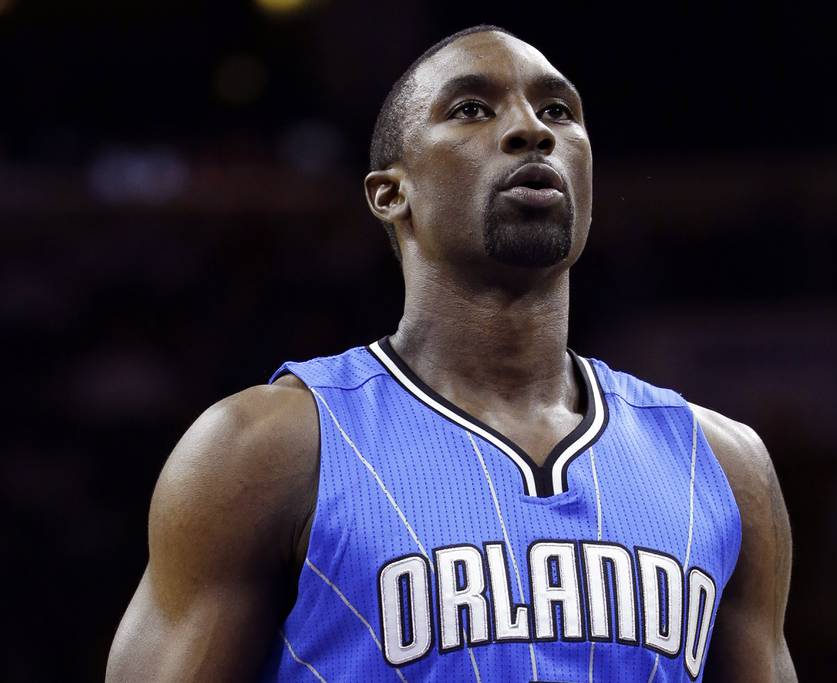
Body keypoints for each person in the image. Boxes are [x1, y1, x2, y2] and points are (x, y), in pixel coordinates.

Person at [106, 24, 796, 682]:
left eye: (559, 110)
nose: (532, 130)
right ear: (390, 193)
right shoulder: (265, 447)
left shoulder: (725, 464)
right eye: (471, 109)